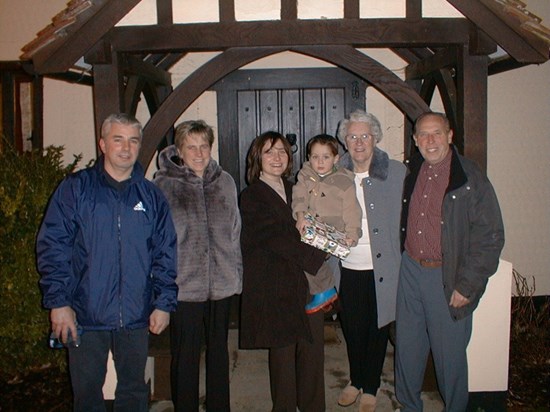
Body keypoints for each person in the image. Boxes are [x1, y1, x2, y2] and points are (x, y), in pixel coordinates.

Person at [36, 113, 178, 412]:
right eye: (118, 139)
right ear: (103, 144)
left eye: (133, 140)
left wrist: (163, 303)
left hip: (136, 315)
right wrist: (58, 303)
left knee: (132, 391)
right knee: (87, 394)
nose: (125, 148)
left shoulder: (151, 197)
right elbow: (53, 246)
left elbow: (165, 252)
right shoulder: (76, 189)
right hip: (85, 314)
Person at [395, 112, 505, 411]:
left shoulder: (469, 176)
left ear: (450, 135)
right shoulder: (411, 169)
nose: (430, 141)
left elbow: (491, 236)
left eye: (437, 133)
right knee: (407, 349)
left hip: (446, 277)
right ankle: (408, 407)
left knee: (450, 358)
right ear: (415, 140)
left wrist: (467, 285)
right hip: (410, 269)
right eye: (423, 135)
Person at [153, 120, 242, 412]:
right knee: (185, 356)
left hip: (222, 285)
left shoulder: (225, 181)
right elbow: (156, 241)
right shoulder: (163, 185)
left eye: (204, 145)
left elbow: (235, 231)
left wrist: (236, 275)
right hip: (184, 288)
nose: (199, 152)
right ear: (179, 149)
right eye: (191, 146)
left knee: (219, 354)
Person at [239, 131, 328, 412]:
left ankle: (314, 407)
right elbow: (276, 237)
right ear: (257, 158)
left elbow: (316, 221)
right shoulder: (252, 196)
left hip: (306, 284)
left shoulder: (297, 189)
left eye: (282, 151)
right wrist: (316, 257)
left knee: (312, 351)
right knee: (283, 356)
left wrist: (330, 241)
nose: (277, 157)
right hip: (274, 286)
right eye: (269, 152)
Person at [335, 110, 406, 412]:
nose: (359, 142)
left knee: (377, 329)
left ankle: (371, 387)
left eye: (365, 135)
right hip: (346, 267)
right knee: (352, 327)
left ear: (375, 137)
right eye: (353, 136)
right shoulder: (334, 173)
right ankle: (355, 380)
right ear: (345, 141)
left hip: (383, 268)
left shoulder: (396, 172)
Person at [292, 133, 362, 313]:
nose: (320, 162)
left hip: (332, 231)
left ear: (336, 158)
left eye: (326, 157)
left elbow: (352, 211)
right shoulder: (305, 175)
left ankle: (325, 291)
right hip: (309, 227)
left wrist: (352, 234)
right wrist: (300, 216)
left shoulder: (344, 181)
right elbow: (298, 196)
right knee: (300, 254)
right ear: (309, 158)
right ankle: (324, 293)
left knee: (311, 258)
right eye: (315, 157)